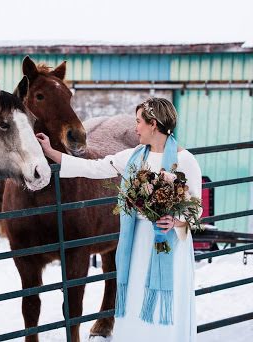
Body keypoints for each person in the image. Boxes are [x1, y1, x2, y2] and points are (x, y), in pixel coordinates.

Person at [36, 97, 201, 341]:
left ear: (153, 124)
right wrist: (51, 152)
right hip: (138, 242)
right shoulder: (135, 156)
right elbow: (94, 168)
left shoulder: (185, 161)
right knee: (135, 297)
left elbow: (196, 211)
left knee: (166, 304)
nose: (135, 128)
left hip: (170, 246)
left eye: (138, 122)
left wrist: (175, 221)